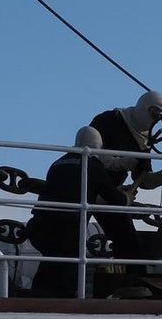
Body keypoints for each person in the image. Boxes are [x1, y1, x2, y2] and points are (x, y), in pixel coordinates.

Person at [27, 126, 132, 297]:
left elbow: (71, 189)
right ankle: (61, 304)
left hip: (40, 225)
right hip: (66, 229)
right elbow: (115, 199)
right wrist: (127, 197)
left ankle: (36, 300)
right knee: (67, 271)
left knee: (50, 266)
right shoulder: (93, 166)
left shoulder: (58, 163)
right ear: (98, 147)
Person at [90, 89, 162, 195]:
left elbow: (144, 180)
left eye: (159, 117)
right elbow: (89, 156)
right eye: (155, 115)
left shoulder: (145, 141)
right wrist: (120, 163)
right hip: (89, 186)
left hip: (111, 194)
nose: (156, 121)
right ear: (145, 109)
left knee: (155, 212)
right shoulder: (109, 120)